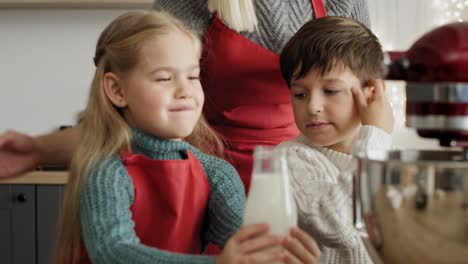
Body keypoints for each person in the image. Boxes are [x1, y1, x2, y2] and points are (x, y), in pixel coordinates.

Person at [0, 0, 371, 194]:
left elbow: (364, 107)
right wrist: (37, 149)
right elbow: (134, 117)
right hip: (199, 176)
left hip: (317, 180)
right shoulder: (192, 1)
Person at [53, 10, 320, 264]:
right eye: (164, 78)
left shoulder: (218, 174)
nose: (185, 91)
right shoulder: (106, 171)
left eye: (193, 76)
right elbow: (113, 253)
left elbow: (241, 249)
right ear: (117, 90)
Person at [276, 16, 394, 263]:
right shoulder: (288, 159)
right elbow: (337, 226)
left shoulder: (387, 157)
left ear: (371, 92)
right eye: (300, 94)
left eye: (330, 91)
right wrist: (376, 136)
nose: (313, 106)